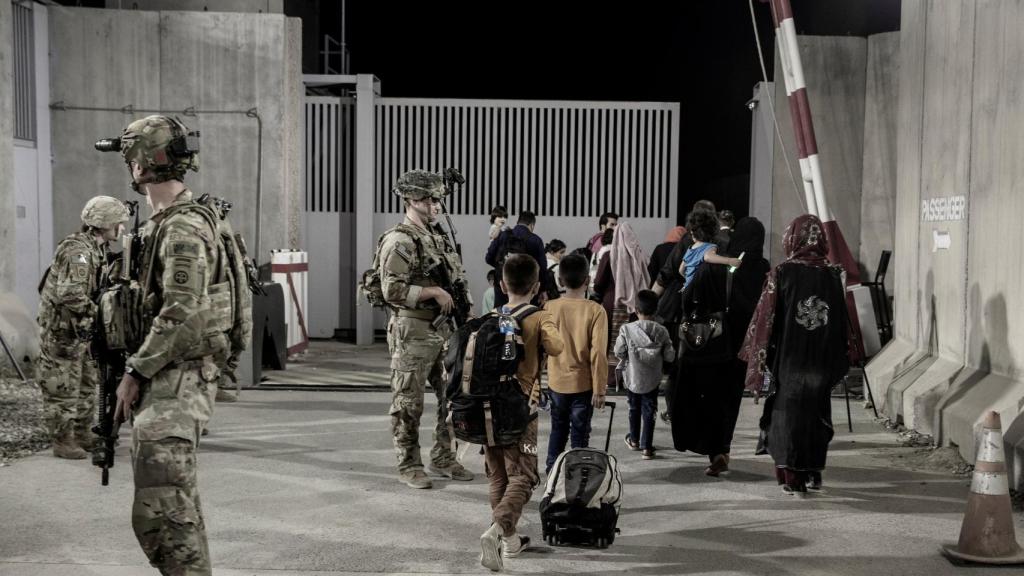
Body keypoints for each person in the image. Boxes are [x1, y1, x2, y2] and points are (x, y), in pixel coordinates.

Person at [108, 115, 230, 575]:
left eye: (129, 156)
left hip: (175, 379)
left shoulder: (181, 229)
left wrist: (135, 371)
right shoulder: (171, 222)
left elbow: (184, 311)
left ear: (140, 165)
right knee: (177, 505)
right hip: (174, 375)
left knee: (160, 514)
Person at [373, 169, 474, 489]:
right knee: (409, 402)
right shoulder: (399, 240)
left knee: (455, 397)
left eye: (437, 199)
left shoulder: (437, 237)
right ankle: (409, 462)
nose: (435, 205)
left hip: (445, 330)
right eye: (428, 199)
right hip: (413, 331)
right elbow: (391, 291)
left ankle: (444, 456)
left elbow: (456, 278)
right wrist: (432, 293)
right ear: (410, 200)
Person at [740, 214, 853, 495]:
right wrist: (839, 358)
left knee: (786, 416)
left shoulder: (782, 273)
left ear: (793, 238)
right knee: (816, 414)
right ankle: (813, 471)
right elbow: (842, 322)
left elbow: (765, 319)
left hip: (789, 359)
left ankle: (791, 476)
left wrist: (760, 357)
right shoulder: (833, 274)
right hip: (821, 360)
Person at [480, 254, 564, 571]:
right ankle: (496, 530)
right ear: (537, 285)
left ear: (502, 284)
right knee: (524, 477)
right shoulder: (540, 317)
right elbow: (557, 349)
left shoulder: (491, 316)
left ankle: (510, 542)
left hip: (486, 409)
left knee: (498, 474)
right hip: (521, 411)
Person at [671, 218, 770, 476]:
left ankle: (714, 449)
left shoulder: (722, 264)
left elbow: (693, 294)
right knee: (731, 400)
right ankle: (723, 448)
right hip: (743, 346)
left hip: (716, 341)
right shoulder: (764, 268)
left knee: (712, 396)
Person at [37, 195, 129, 459]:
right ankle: (62, 440)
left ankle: (81, 433)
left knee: (88, 382)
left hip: (80, 331)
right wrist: (100, 314)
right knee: (63, 385)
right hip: (62, 332)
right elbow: (71, 294)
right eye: (118, 223)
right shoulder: (78, 251)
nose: (121, 228)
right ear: (105, 223)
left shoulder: (96, 249)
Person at [542, 253, 608, 473]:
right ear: (587, 281)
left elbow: (540, 349)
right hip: (584, 385)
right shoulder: (596, 310)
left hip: (556, 382)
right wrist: (599, 389)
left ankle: (552, 472)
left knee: (557, 429)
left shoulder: (548, 308)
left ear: (560, 281)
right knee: (580, 432)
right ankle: (577, 476)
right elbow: (598, 352)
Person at [615, 290, 674, 460]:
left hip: (633, 377)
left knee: (634, 408)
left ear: (636, 310)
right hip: (653, 379)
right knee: (650, 410)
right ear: (656, 311)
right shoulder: (661, 331)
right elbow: (670, 355)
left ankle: (634, 440)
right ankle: (647, 447)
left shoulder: (626, 329)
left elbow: (619, 351)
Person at [594, 223, 650, 390]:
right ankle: (631, 378)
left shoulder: (609, 256)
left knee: (611, 342)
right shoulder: (641, 256)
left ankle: (612, 378)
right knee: (631, 342)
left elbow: (598, 283)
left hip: (612, 304)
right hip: (634, 307)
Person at [485, 211, 550, 309]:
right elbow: (542, 268)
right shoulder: (535, 240)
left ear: (518, 221)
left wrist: (505, 268)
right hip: (527, 290)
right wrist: (543, 290)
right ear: (532, 225)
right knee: (526, 317)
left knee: (501, 318)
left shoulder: (502, 235)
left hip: (503, 286)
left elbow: (489, 258)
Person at [678, 208, 741, 288]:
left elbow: (681, 270)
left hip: (687, 288)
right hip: (698, 290)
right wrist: (729, 261)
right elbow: (708, 257)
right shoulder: (710, 247)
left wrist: (688, 280)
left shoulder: (691, 248)